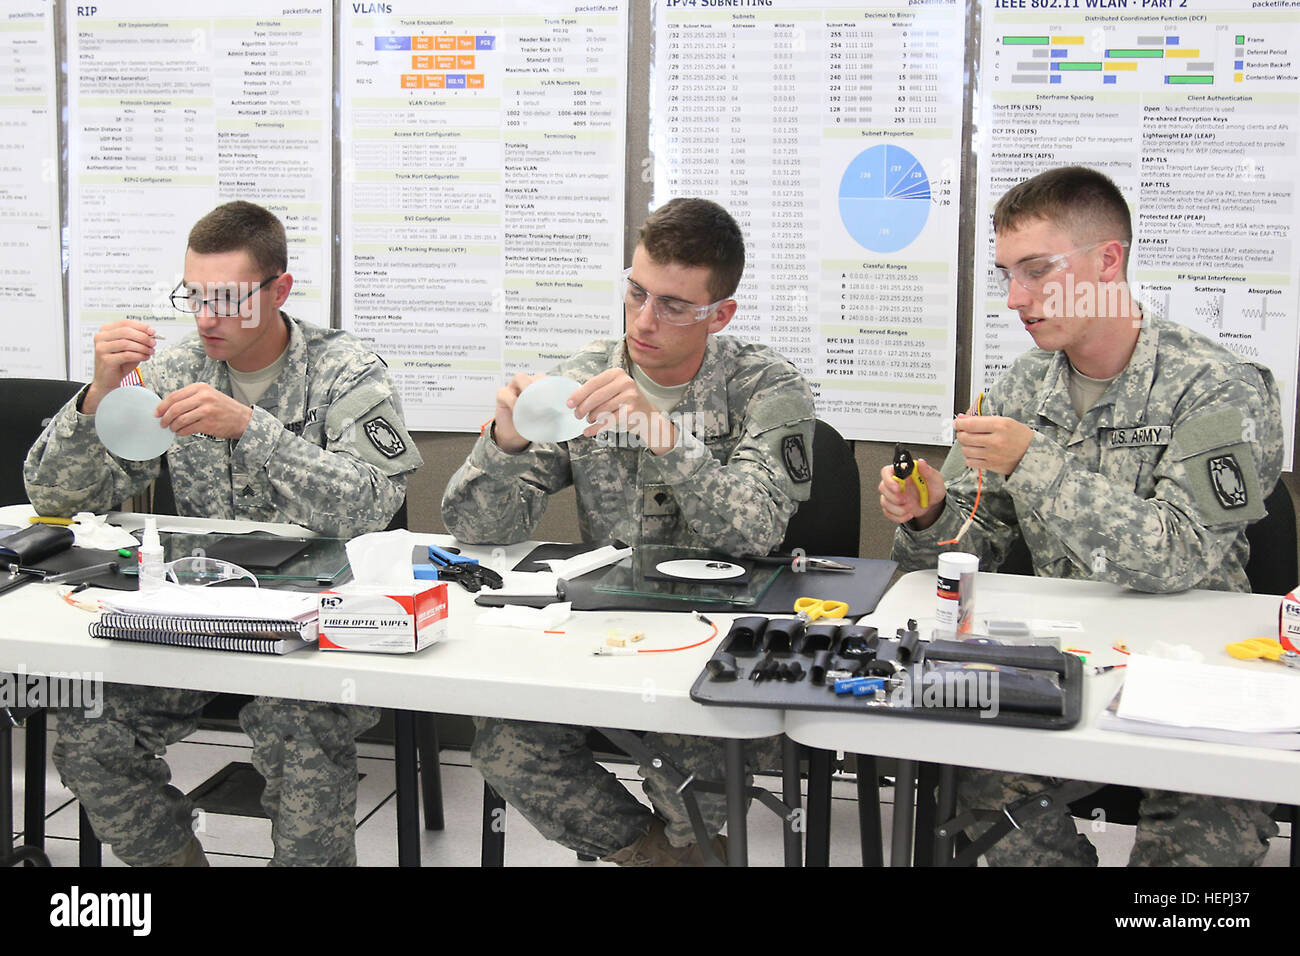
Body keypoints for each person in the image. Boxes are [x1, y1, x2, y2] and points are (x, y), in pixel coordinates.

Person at [879, 166, 1282, 865]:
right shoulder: (1020, 386)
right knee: (975, 784)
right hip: (1056, 655)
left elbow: (1179, 555)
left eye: (1037, 271)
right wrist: (929, 516)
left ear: (1108, 260)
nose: (1016, 299)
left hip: (1194, 675)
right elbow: (975, 550)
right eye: (1007, 274)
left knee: (1196, 846)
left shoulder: (1222, 388)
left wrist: (1034, 461)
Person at [25, 200, 423, 866]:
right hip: (200, 614)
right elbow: (57, 497)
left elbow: (373, 504)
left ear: (280, 290)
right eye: (196, 297)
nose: (208, 318)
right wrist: (96, 397)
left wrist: (253, 430)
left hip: (317, 627)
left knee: (300, 742)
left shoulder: (346, 371)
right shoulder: (178, 373)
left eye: (230, 299)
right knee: (88, 731)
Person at [442, 197, 815, 864]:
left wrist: (665, 436)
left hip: (720, 639)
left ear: (719, 314)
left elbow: (756, 529)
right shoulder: (585, 378)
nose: (644, 320)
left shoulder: (768, 385)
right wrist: (506, 442)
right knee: (504, 743)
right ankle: (657, 855)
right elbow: (477, 527)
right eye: (636, 292)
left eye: (673, 305)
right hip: (606, 626)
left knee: (693, 769)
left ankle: (693, 844)